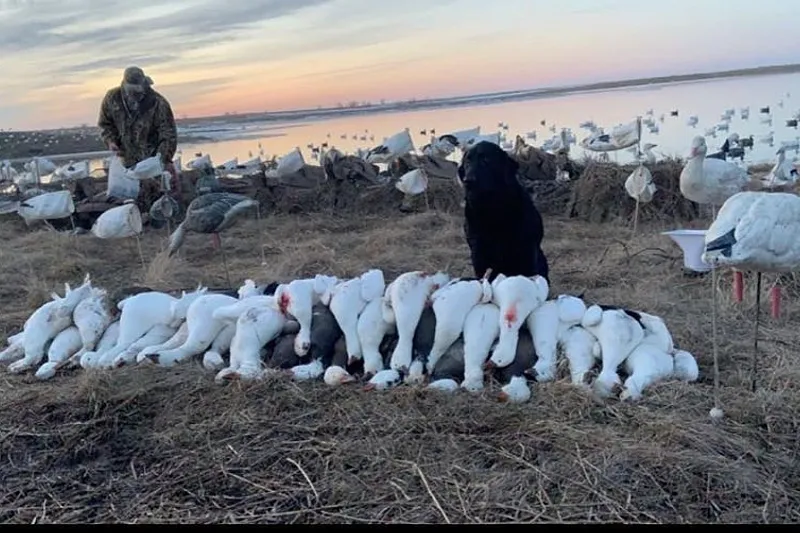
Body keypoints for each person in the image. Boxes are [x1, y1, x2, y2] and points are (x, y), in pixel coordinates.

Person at [97, 66, 181, 210]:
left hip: (153, 162)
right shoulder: (112, 98)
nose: (135, 95)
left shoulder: (158, 103)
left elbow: (168, 134)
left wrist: (162, 159)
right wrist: (111, 141)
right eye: (131, 91)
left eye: (138, 91)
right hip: (126, 162)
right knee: (127, 201)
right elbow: (105, 124)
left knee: (161, 203)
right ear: (124, 85)